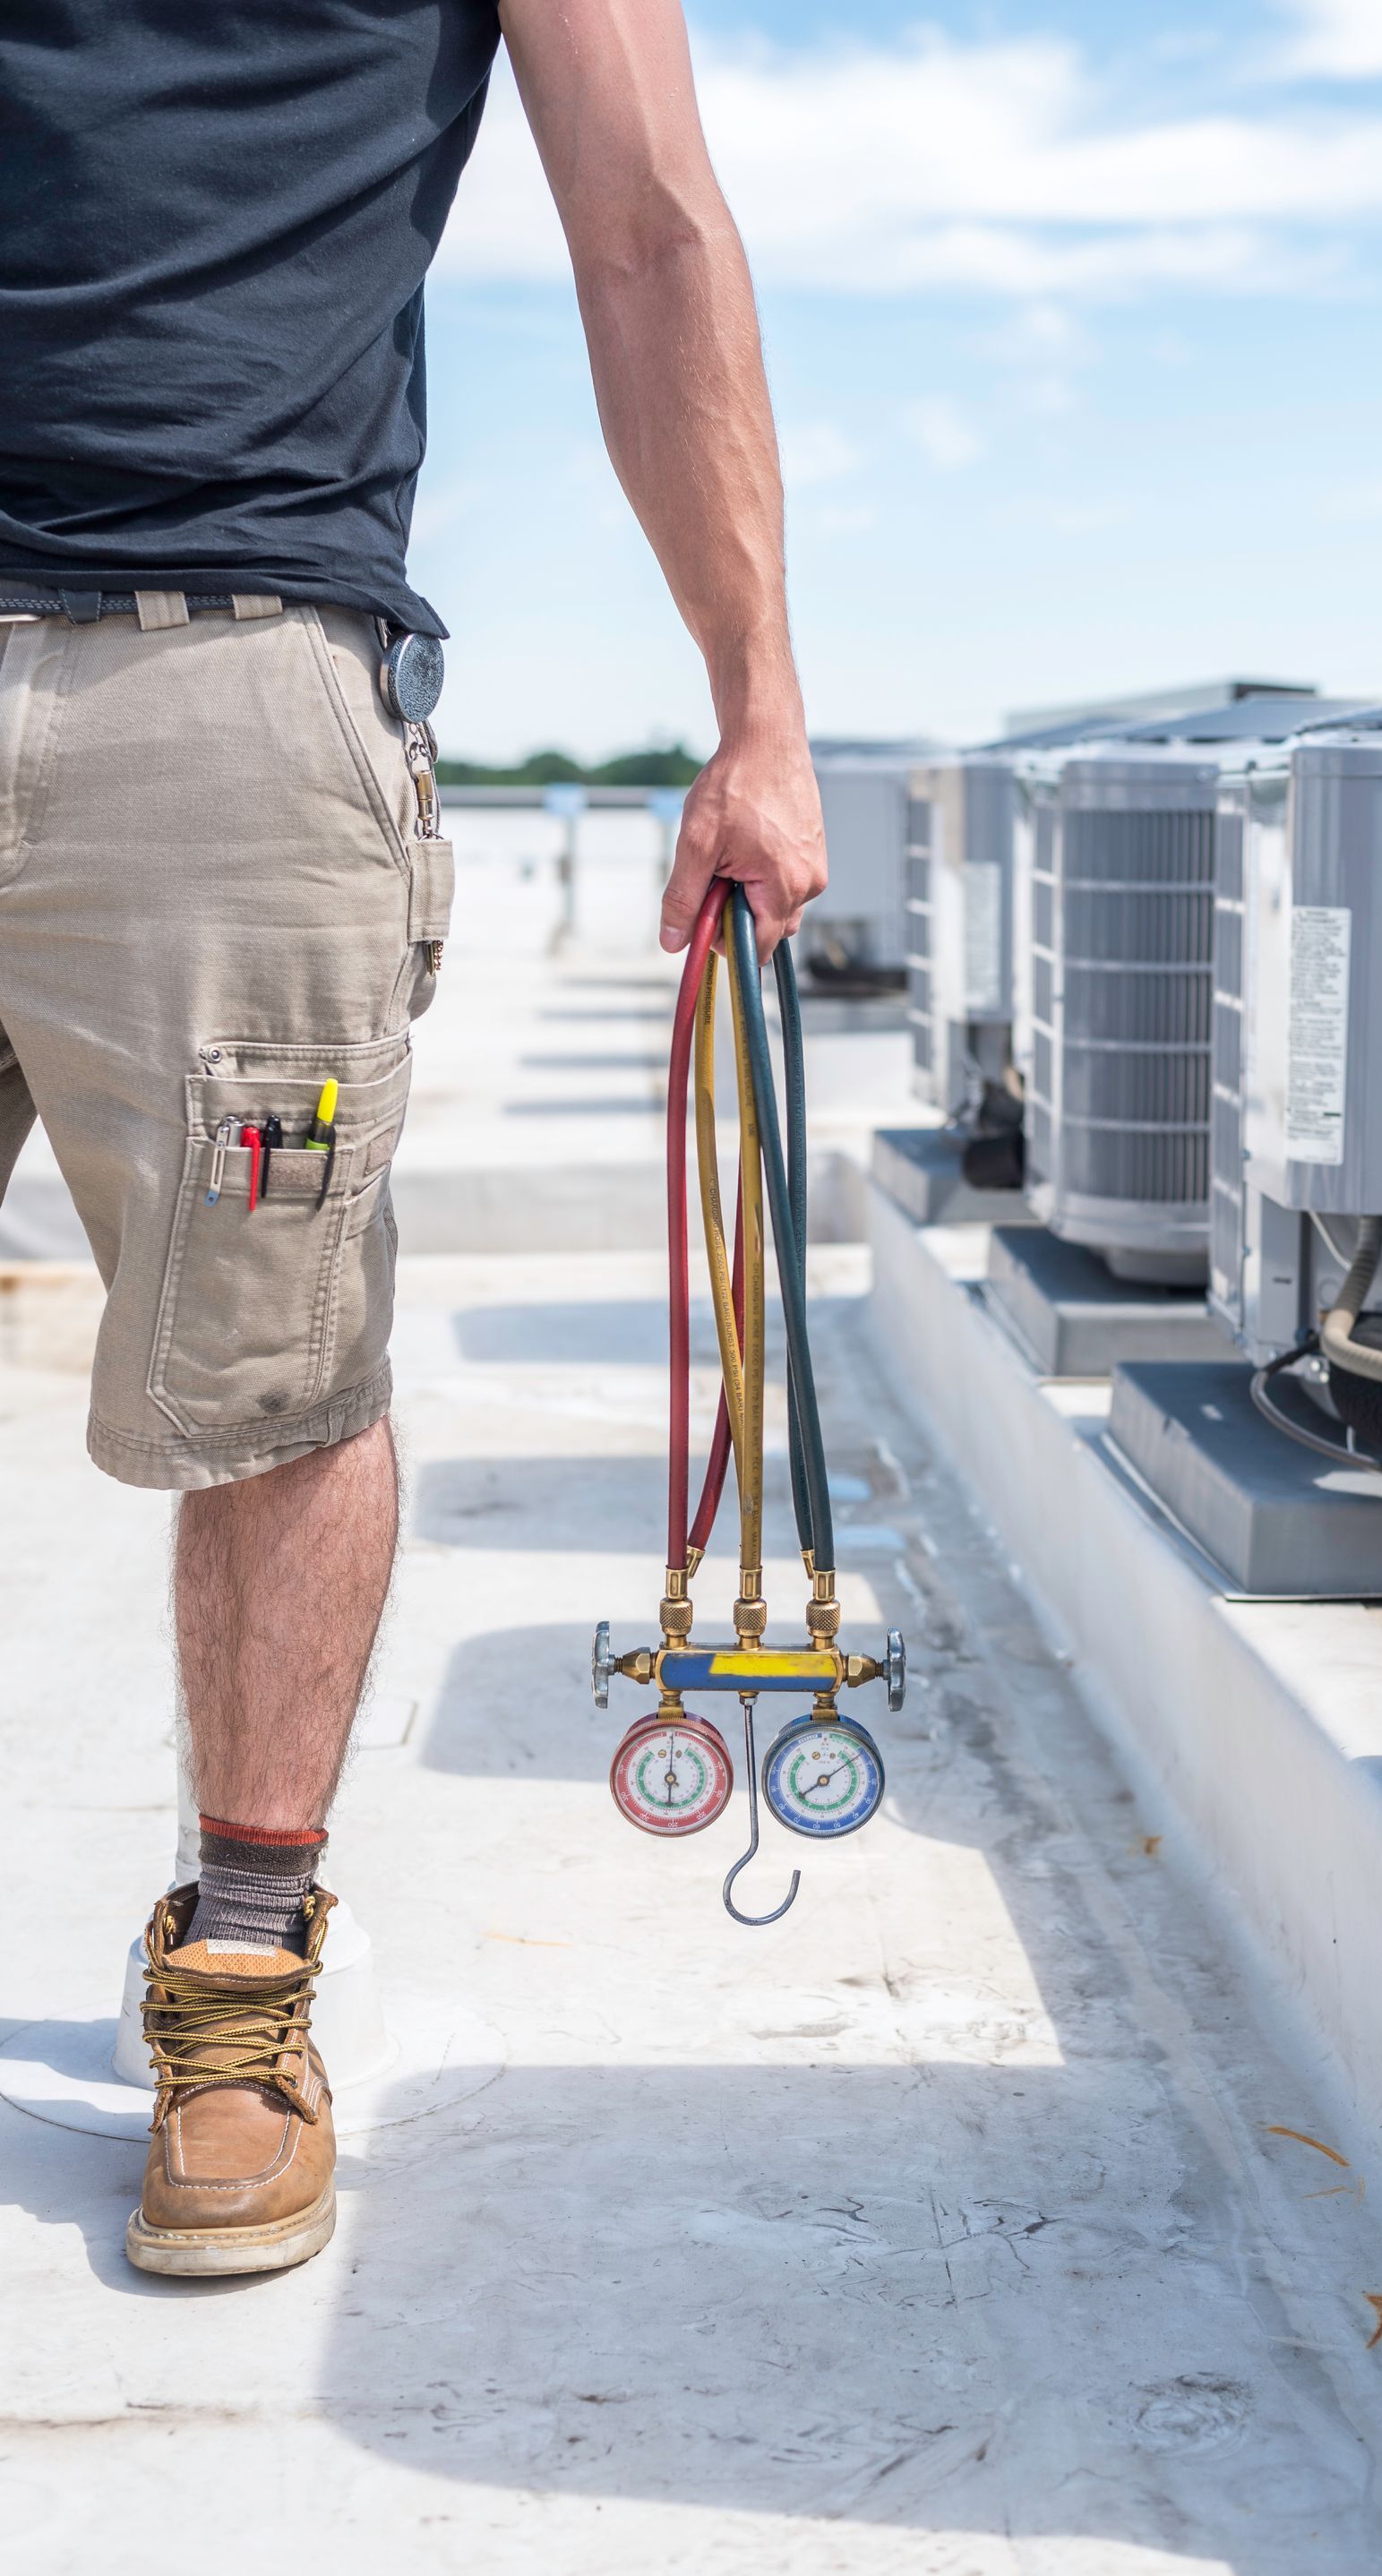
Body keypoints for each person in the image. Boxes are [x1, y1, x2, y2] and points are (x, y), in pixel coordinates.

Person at [0, 0, 826, 2277]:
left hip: (238, 675)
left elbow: (647, 229)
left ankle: (244, 1977)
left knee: (276, 1378)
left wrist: (758, 704)